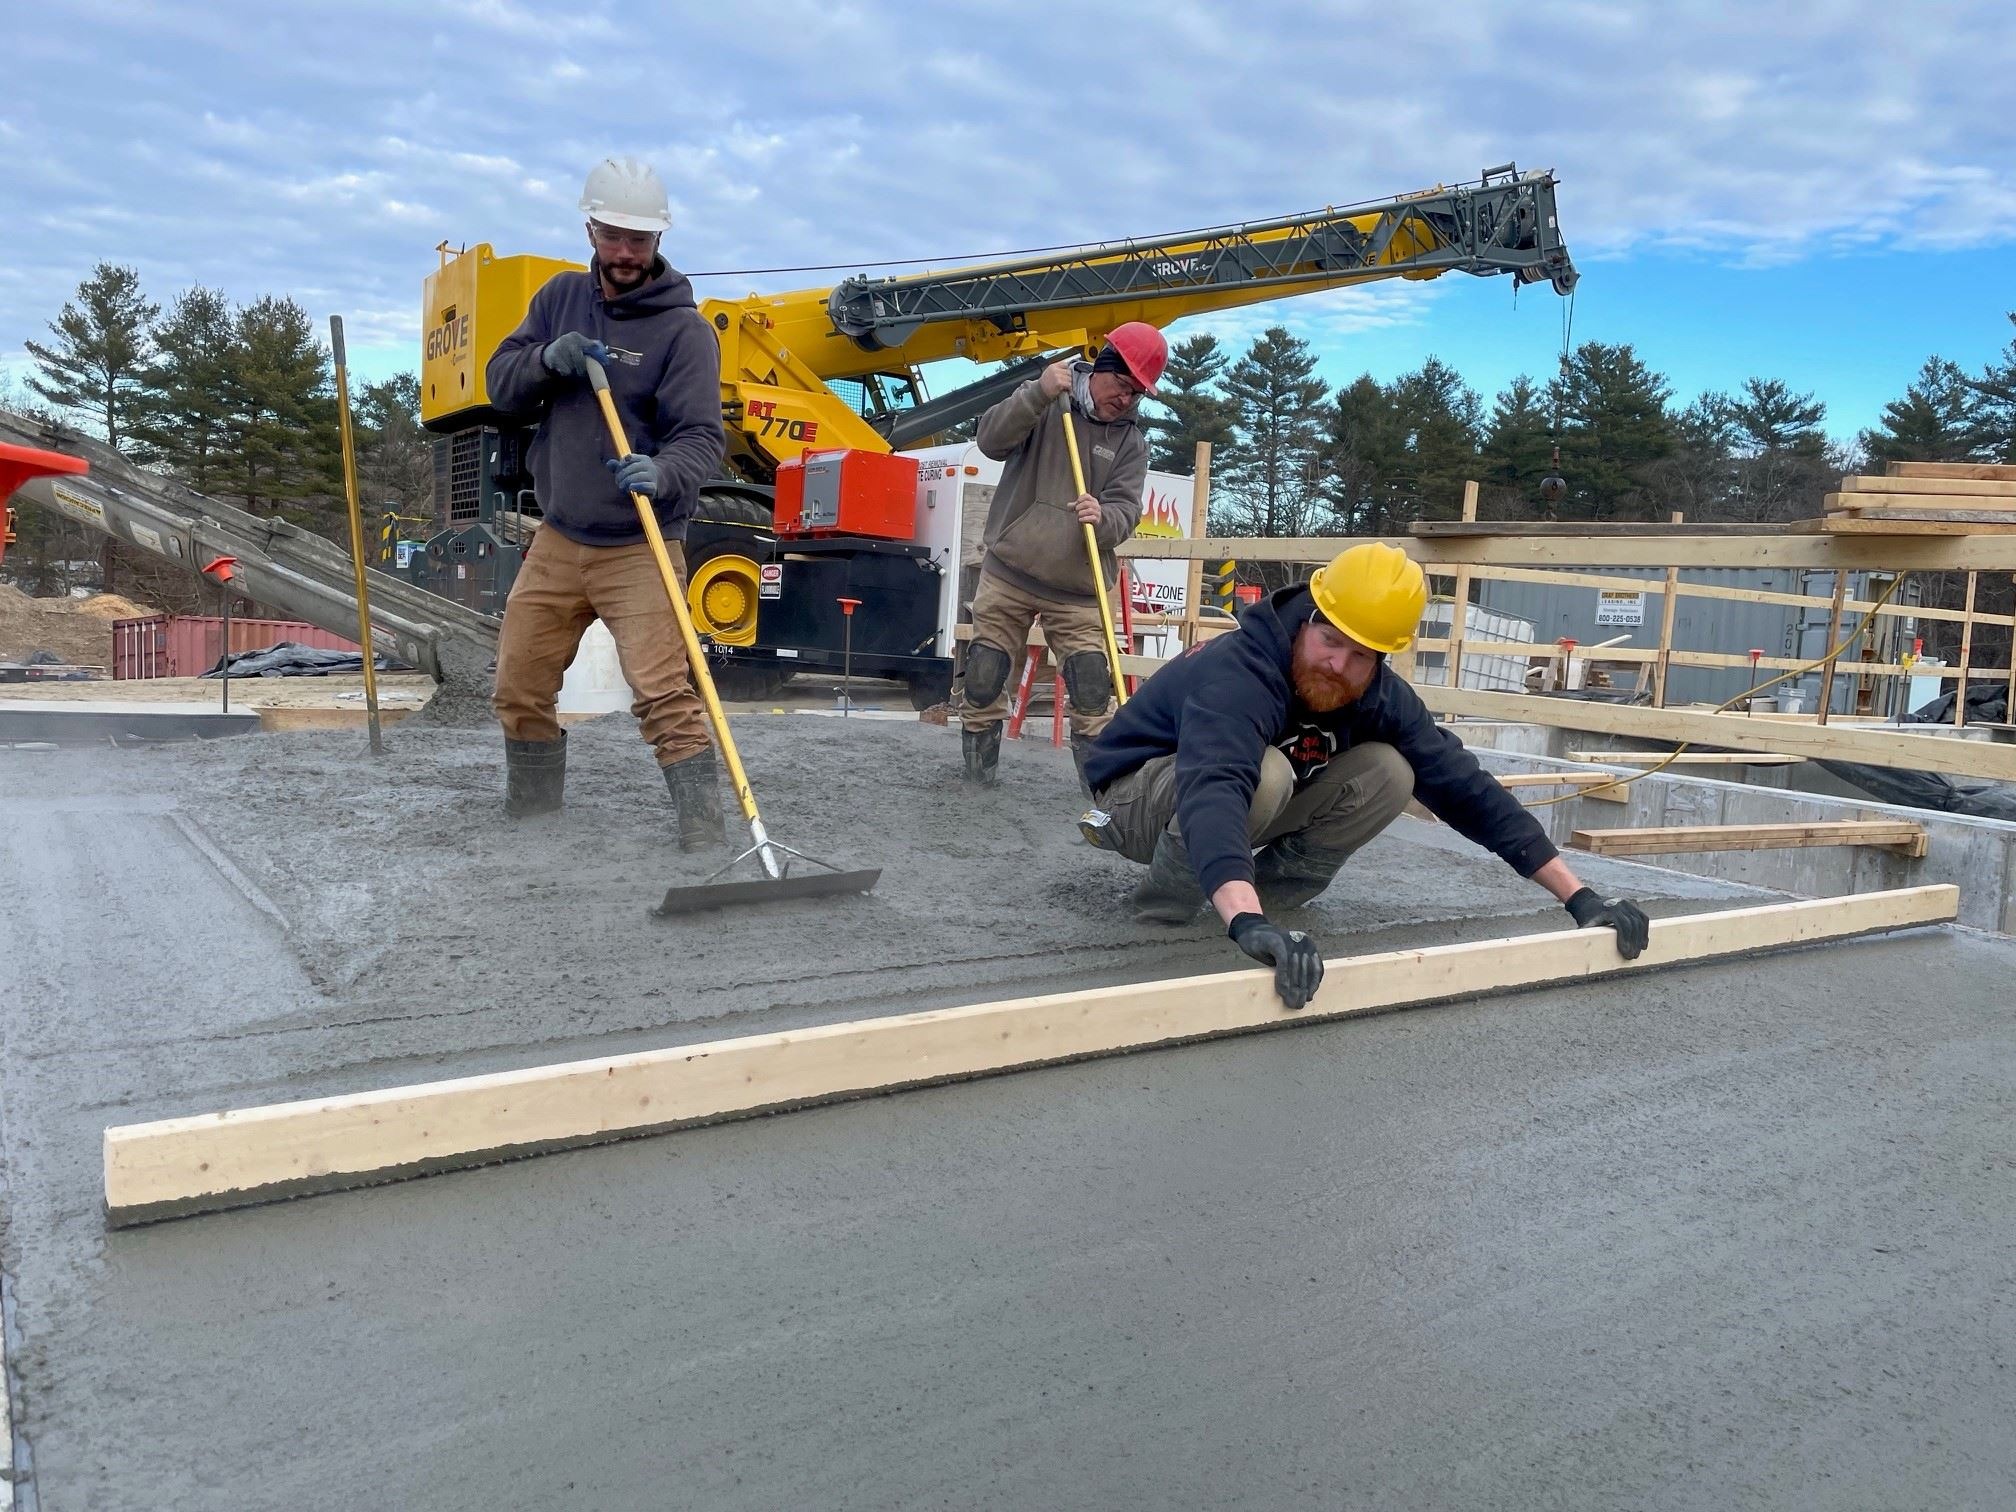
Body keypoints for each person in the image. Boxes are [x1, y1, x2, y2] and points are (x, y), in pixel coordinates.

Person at [1079, 543, 1651, 1009]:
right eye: (1331, 642)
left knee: (1390, 772)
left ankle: (1273, 913)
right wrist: (1245, 922)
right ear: (1309, 619)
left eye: (1362, 656)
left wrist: (1579, 896)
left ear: (1383, 657)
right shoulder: (1241, 671)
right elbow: (1215, 786)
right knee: (1267, 772)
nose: (1339, 665)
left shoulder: (1377, 692)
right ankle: (1170, 910)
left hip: (1230, 797)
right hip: (1132, 803)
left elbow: (1463, 787)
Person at [485, 156, 728, 847]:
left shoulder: (685, 332)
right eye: (613, 236)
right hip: (559, 535)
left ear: (659, 241)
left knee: (663, 693)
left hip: (640, 543)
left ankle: (703, 837)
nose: (625, 253)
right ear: (590, 228)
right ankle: (533, 822)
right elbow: (502, 387)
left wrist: (665, 469)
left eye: (639, 241)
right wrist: (543, 361)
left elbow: (701, 436)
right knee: (518, 683)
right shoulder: (558, 299)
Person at [959, 323, 1166, 792]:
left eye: (1138, 394)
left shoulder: (1131, 443)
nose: (1127, 400)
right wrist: (1035, 394)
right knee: (986, 674)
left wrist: (1105, 515)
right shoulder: (1046, 400)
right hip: (1010, 569)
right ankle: (976, 785)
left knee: (1093, 688)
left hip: (1078, 586)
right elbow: (991, 442)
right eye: (1123, 386)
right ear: (1101, 370)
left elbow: (1127, 511)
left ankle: (1101, 800)